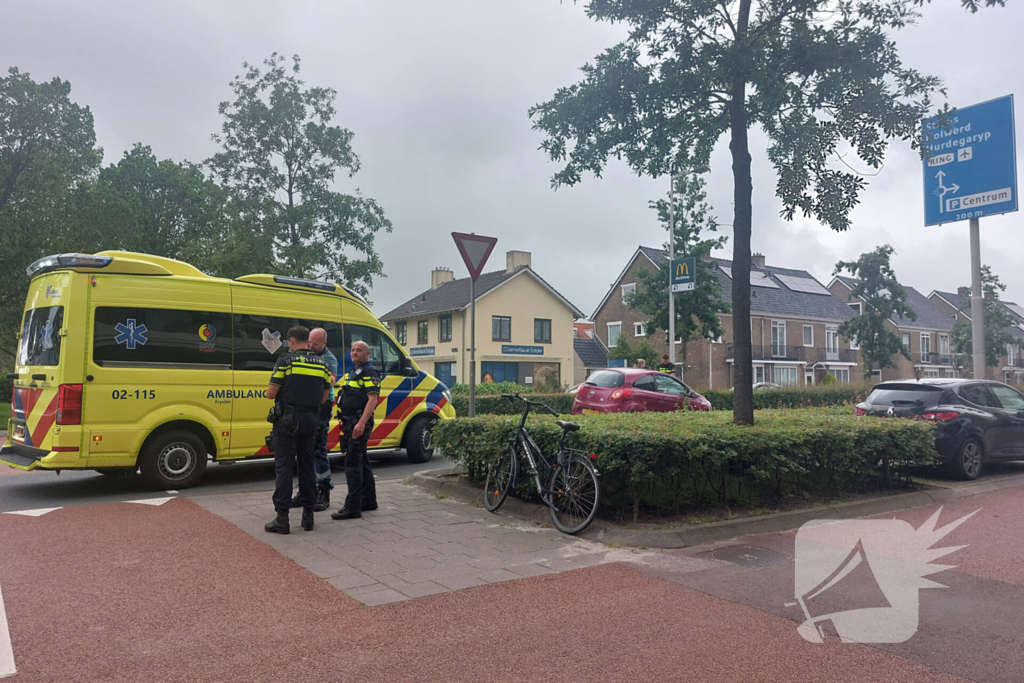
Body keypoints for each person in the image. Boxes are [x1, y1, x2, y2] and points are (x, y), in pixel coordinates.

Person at [265, 326, 332, 535]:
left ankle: (282, 519)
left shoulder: (285, 361)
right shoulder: (323, 364)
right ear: (308, 341)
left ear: (292, 341)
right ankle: (308, 517)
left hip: (287, 420)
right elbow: (324, 397)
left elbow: (270, 393)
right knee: (307, 468)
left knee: (284, 469)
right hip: (311, 421)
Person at [289, 327, 338, 513]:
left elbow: (331, 380)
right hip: (307, 405)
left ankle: (323, 492)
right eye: (309, 341)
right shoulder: (306, 355)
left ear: (324, 343)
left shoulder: (329, 359)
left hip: (321, 407)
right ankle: (305, 492)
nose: (310, 345)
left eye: (315, 343)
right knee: (303, 451)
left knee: (319, 451)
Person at [331, 340, 381, 520]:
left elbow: (372, 400)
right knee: (363, 461)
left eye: (359, 350)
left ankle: (352, 507)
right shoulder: (355, 372)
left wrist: (361, 423)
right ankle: (368, 500)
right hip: (350, 421)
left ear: (367, 353)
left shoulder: (369, 372)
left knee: (352, 465)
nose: (354, 353)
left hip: (357, 423)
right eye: (353, 350)